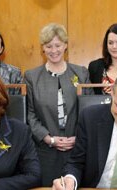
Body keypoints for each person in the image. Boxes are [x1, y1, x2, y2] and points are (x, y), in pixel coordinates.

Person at [24, 23, 93, 186]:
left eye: (58, 45)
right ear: (43, 48)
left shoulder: (81, 73)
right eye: (49, 46)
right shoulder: (31, 77)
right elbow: (30, 114)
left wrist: (79, 137)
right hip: (45, 151)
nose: (53, 50)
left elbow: (89, 110)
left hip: (77, 150)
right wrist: (49, 139)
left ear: (65, 46)